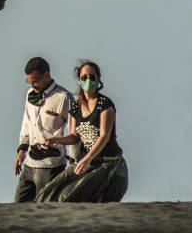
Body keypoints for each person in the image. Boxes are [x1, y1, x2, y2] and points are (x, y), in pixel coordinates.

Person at [37, 59, 129, 202]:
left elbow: (104, 136)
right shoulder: (76, 107)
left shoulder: (105, 105)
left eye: (92, 77)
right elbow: (74, 136)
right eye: (84, 77)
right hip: (87, 163)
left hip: (108, 164)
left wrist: (87, 159)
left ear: (98, 80)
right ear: (78, 80)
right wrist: (57, 140)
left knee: (71, 196)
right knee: (49, 193)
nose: (88, 80)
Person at [13, 56, 73, 202]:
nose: (32, 85)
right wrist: (21, 151)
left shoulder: (63, 97)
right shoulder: (30, 94)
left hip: (51, 165)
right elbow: (26, 123)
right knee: (17, 205)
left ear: (46, 75)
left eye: (35, 81)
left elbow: (74, 131)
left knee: (44, 207)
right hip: (29, 163)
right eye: (29, 81)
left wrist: (74, 161)